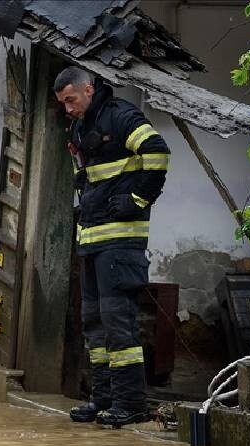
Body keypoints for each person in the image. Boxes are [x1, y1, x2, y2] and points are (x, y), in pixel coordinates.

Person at [54, 67, 171, 427]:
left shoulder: (120, 116)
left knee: (119, 324)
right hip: (92, 240)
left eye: (71, 100)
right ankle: (102, 399)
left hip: (121, 241)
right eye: (62, 104)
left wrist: (137, 198)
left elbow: (157, 153)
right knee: (95, 324)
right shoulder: (80, 126)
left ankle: (131, 404)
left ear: (89, 89)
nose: (68, 109)